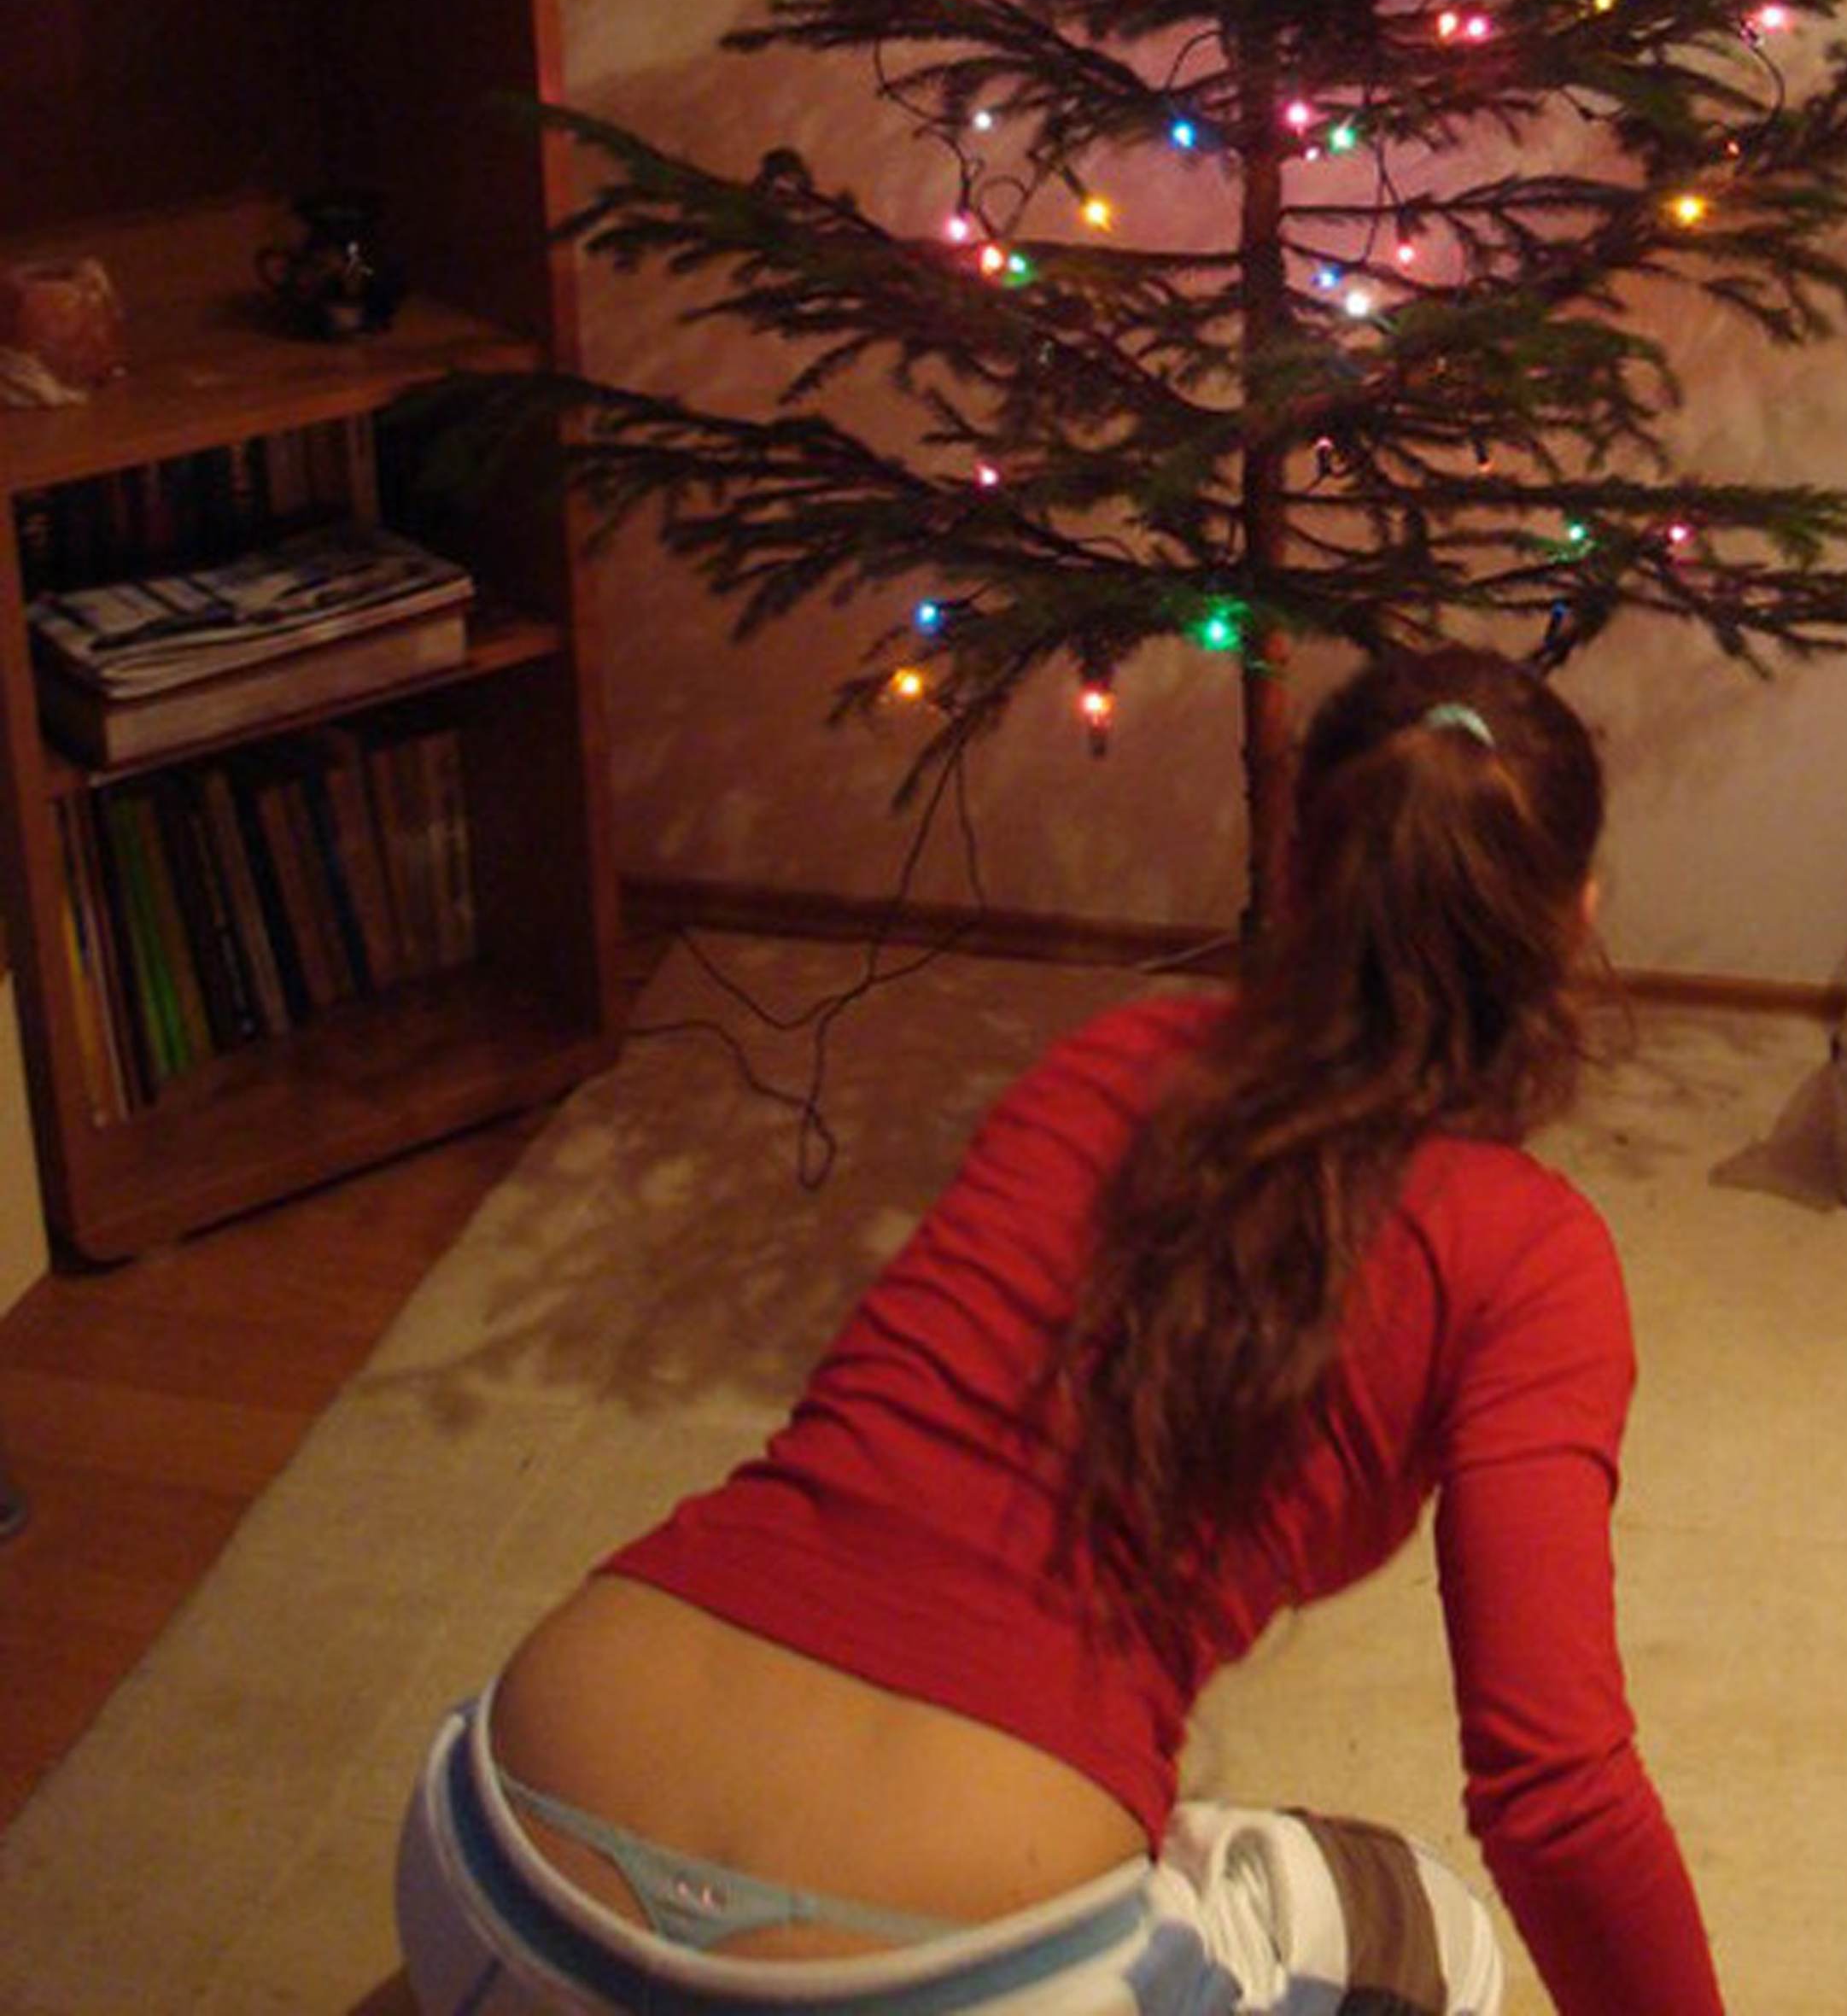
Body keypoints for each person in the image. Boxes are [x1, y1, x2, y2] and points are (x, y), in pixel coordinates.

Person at [392, 644, 1729, 2013]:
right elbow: (1556, 1800)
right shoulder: (1538, 1259)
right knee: (1425, 1932)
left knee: (1223, 1862)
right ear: (1574, 922)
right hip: (946, 1988)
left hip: (497, 1860)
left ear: (1296, 865)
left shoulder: (1106, 1061)